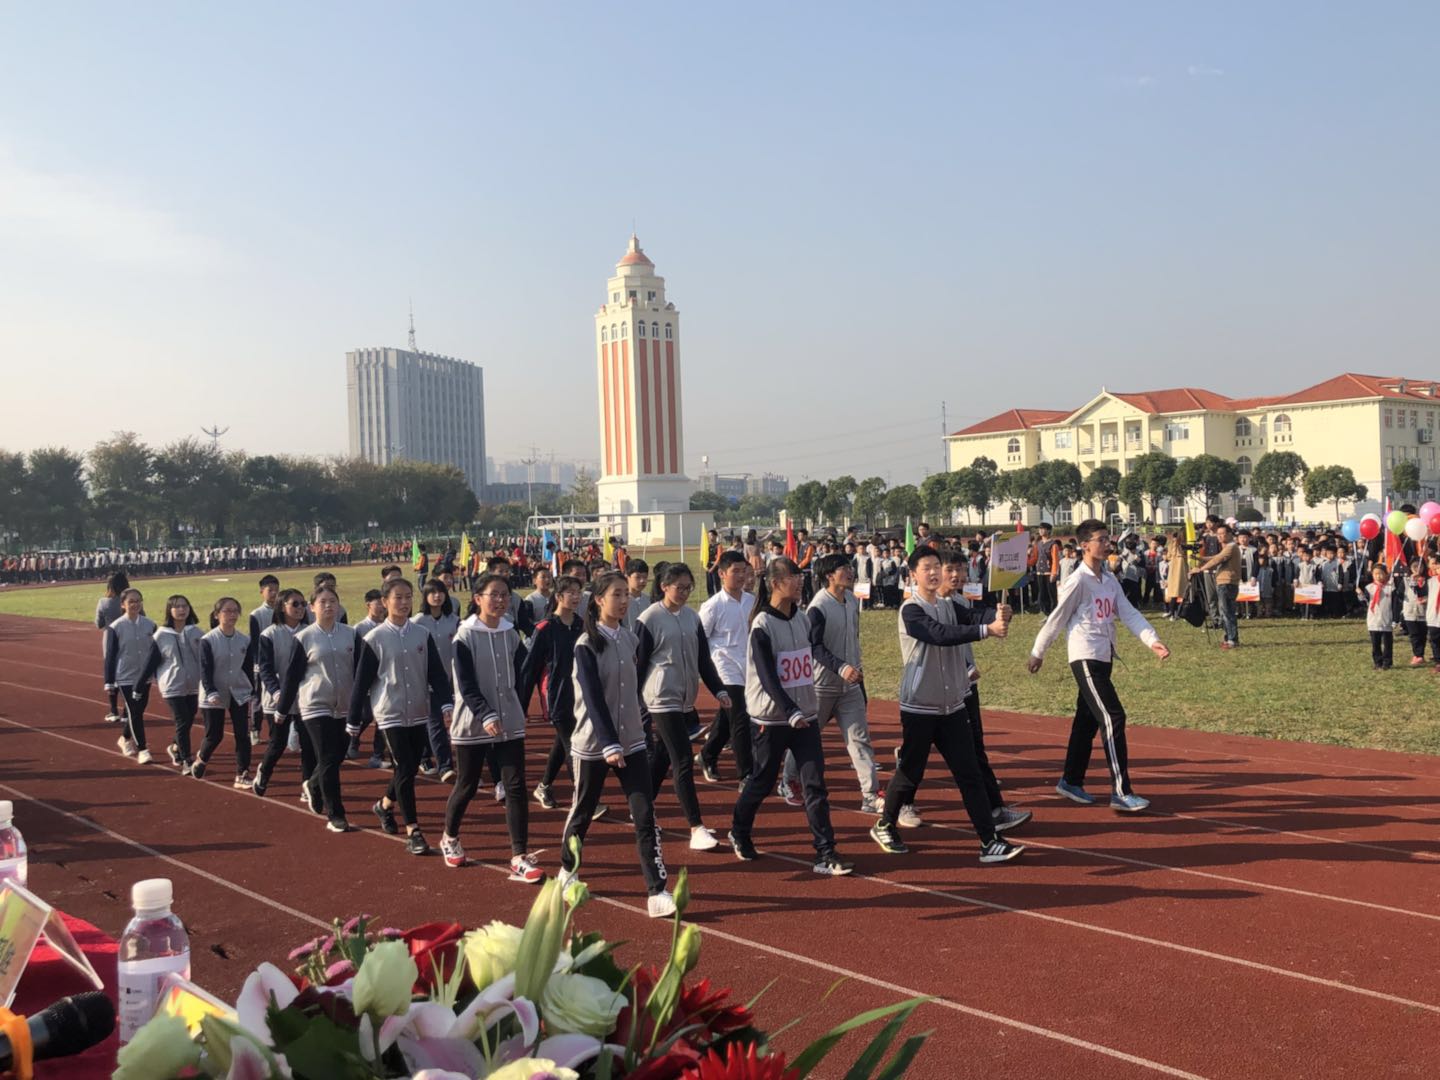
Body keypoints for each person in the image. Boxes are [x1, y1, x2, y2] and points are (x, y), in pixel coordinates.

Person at [869, 547, 1025, 863]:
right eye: (927, 567)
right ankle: (885, 823)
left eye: (937, 566)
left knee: (969, 773)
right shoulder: (910, 611)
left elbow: (971, 616)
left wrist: (997, 615)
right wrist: (987, 630)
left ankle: (988, 841)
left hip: (952, 705)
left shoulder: (950, 605)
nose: (935, 572)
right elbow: (940, 634)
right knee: (911, 771)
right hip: (920, 707)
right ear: (913, 574)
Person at [1028, 519, 1170, 812]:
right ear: (1085, 546)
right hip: (1085, 656)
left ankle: (1070, 780)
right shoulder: (1078, 581)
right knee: (1113, 716)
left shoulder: (1108, 580)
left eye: (1108, 539)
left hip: (1104, 657)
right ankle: (1121, 791)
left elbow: (1129, 613)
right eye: (1102, 539)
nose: (1108, 544)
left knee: (1086, 720)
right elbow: (1057, 618)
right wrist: (1038, 651)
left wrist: (1152, 640)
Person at [728, 557, 855, 876]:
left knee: (814, 784)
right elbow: (768, 678)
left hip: (805, 718)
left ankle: (825, 852)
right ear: (774, 583)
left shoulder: (802, 619)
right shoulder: (761, 625)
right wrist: (790, 710)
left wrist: (805, 708)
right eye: (792, 577)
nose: (799, 582)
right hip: (771, 720)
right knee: (762, 781)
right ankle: (739, 831)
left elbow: (811, 654)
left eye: (800, 576)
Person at [560, 570, 677, 917]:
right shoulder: (585, 645)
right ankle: (568, 869)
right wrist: (608, 742)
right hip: (593, 744)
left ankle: (657, 890)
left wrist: (639, 726)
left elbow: (632, 689)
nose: (624, 600)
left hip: (632, 742)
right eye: (616, 594)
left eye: (626, 594)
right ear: (598, 600)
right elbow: (593, 699)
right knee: (583, 812)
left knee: (645, 815)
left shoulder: (629, 639)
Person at [440, 574, 543, 881]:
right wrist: (485, 714)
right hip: (473, 722)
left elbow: (526, 672)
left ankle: (519, 855)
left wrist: (516, 704)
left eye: (504, 595)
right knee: (468, 784)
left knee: (515, 786)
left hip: (509, 721)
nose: (500, 600)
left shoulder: (511, 634)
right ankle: (450, 836)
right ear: (478, 598)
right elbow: (466, 685)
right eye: (493, 595)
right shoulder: (464, 637)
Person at [347, 578, 454, 856]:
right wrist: (354, 721)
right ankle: (413, 831)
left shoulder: (421, 634)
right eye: (398, 598)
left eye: (408, 597)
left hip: (418, 710)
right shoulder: (374, 639)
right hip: (389, 712)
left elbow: (437, 675)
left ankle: (383, 805)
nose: (404, 603)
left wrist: (446, 705)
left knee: (405, 769)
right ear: (385, 602)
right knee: (406, 766)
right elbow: (361, 683)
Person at [637, 562, 731, 851]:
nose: (684, 593)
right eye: (679, 587)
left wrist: (719, 689)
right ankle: (696, 827)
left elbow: (703, 659)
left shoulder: (692, 617)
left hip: (684, 698)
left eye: (689, 588)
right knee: (683, 759)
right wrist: (634, 704)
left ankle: (640, 809)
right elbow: (638, 664)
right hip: (660, 697)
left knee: (664, 757)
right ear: (664, 587)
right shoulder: (649, 618)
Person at [781, 553, 882, 813]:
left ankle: (870, 795)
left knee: (859, 739)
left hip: (850, 687)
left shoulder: (851, 600)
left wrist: (856, 671)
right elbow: (814, 646)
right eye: (843, 568)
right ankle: (789, 780)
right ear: (829, 575)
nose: (849, 572)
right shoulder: (818, 607)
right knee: (806, 737)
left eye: (849, 567)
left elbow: (853, 638)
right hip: (821, 687)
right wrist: (841, 666)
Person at [275, 584, 357, 833]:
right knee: (327, 758)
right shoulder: (304, 637)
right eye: (323, 602)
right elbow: (292, 676)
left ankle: (312, 783)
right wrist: (281, 708)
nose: (329, 606)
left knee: (339, 754)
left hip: (344, 704)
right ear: (312, 607)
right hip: (314, 705)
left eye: (333, 601)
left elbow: (361, 669)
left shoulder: (351, 634)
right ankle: (336, 814)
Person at [527, 575, 605, 817]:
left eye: (578, 592)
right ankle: (583, 799)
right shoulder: (545, 629)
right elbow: (529, 669)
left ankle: (543, 786)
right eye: (569, 592)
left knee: (563, 744)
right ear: (558, 597)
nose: (574, 597)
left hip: (580, 696)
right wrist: (519, 706)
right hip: (557, 695)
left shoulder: (583, 625)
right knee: (574, 747)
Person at [253, 589, 317, 801]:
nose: (300, 608)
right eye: (295, 604)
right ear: (282, 607)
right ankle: (264, 771)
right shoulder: (269, 634)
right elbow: (266, 668)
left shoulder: (310, 632)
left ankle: (307, 785)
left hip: (305, 697)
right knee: (278, 743)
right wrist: (276, 691)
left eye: (303, 603)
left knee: (308, 743)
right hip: (277, 698)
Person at [698, 550, 755, 787]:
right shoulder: (712, 606)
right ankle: (747, 774)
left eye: (744, 571)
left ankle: (707, 754)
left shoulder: (753, 601)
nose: (741, 576)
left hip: (748, 667)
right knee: (740, 717)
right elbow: (700, 639)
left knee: (727, 717)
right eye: (736, 571)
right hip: (724, 668)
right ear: (721, 574)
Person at [135, 595, 203, 773]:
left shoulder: (197, 633)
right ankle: (186, 760)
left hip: (194, 684)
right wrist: (139, 685)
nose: (181, 610)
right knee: (182, 720)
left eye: (184, 606)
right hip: (172, 685)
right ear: (170, 611)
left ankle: (174, 747)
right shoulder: (161, 635)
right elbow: (150, 662)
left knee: (189, 718)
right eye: (177, 606)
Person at [195, 596, 256, 788]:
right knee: (215, 735)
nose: (232, 615)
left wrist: (252, 691)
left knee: (242, 734)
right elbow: (205, 670)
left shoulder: (244, 640)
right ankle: (202, 758)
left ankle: (242, 773)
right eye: (227, 611)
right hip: (213, 694)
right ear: (217, 614)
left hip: (238, 691)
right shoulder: (208, 640)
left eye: (235, 611)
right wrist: (211, 691)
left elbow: (247, 668)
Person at [412, 582, 460, 783]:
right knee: (435, 723)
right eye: (432, 592)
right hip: (427, 681)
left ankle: (425, 755)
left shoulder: (455, 621)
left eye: (441, 592)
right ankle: (445, 766)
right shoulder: (417, 622)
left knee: (456, 722)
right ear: (425, 596)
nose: (437, 596)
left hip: (451, 679)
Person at [104, 588, 158, 763]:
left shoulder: (151, 625)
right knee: (135, 711)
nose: (135, 604)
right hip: (125, 675)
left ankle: (125, 738)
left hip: (145, 676)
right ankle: (143, 748)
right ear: (123, 604)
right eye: (131, 601)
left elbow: (157, 652)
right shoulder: (116, 627)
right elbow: (110, 656)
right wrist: (109, 681)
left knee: (137, 710)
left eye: (138, 601)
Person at [347, 589, 391, 767]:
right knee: (365, 715)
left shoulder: (387, 626)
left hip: (383, 678)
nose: (381, 607)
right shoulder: (359, 629)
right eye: (377, 603)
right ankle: (351, 740)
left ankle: (377, 755)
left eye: (382, 603)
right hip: (365, 678)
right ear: (368, 605)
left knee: (382, 717)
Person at [1196, 522, 1242, 648]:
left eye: (1223, 534)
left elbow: (1218, 559)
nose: (1220, 536)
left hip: (1227, 582)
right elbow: (1216, 557)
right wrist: (1201, 559)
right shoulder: (1229, 547)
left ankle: (1231, 639)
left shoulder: (1231, 547)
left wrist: (1200, 569)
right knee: (1227, 611)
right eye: (1218, 534)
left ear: (1229, 534)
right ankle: (1230, 638)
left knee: (1226, 612)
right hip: (1225, 582)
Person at [248, 575, 281, 741]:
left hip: (281, 660)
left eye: (276, 589)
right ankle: (255, 727)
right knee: (259, 696)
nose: (274, 593)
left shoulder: (284, 610)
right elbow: (254, 641)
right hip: (263, 662)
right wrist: (256, 662)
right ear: (262, 591)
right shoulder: (257, 614)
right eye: (270, 590)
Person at [96, 570, 130, 724]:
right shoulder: (130, 600)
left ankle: (113, 709)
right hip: (129, 637)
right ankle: (126, 710)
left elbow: (99, 624)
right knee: (128, 672)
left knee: (112, 671)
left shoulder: (104, 602)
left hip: (110, 638)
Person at [1357, 562, 1400, 670]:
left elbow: (1395, 605)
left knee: (1387, 643)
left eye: (1381, 574)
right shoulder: (1369, 587)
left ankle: (1387, 662)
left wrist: (1395, 619)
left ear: (1386, 574)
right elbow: (1365, 602)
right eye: (1375, 574)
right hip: (1373, 619)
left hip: (1386, 619)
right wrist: (1360, 594)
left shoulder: (1390, 588)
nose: (1378, 576)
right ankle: (1377, 662)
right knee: (1375, 643)